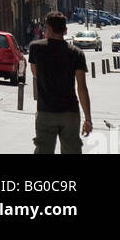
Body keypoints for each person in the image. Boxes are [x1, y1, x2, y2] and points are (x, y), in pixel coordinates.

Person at [29, 11, 93, 155]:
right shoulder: (77, 53)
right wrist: (88, 119)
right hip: (70, 113)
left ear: (48, 28)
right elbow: (82, 88)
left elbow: (35, 74)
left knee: (43, 151)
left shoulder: (36, 48)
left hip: (46, 112)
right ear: (65, 30)